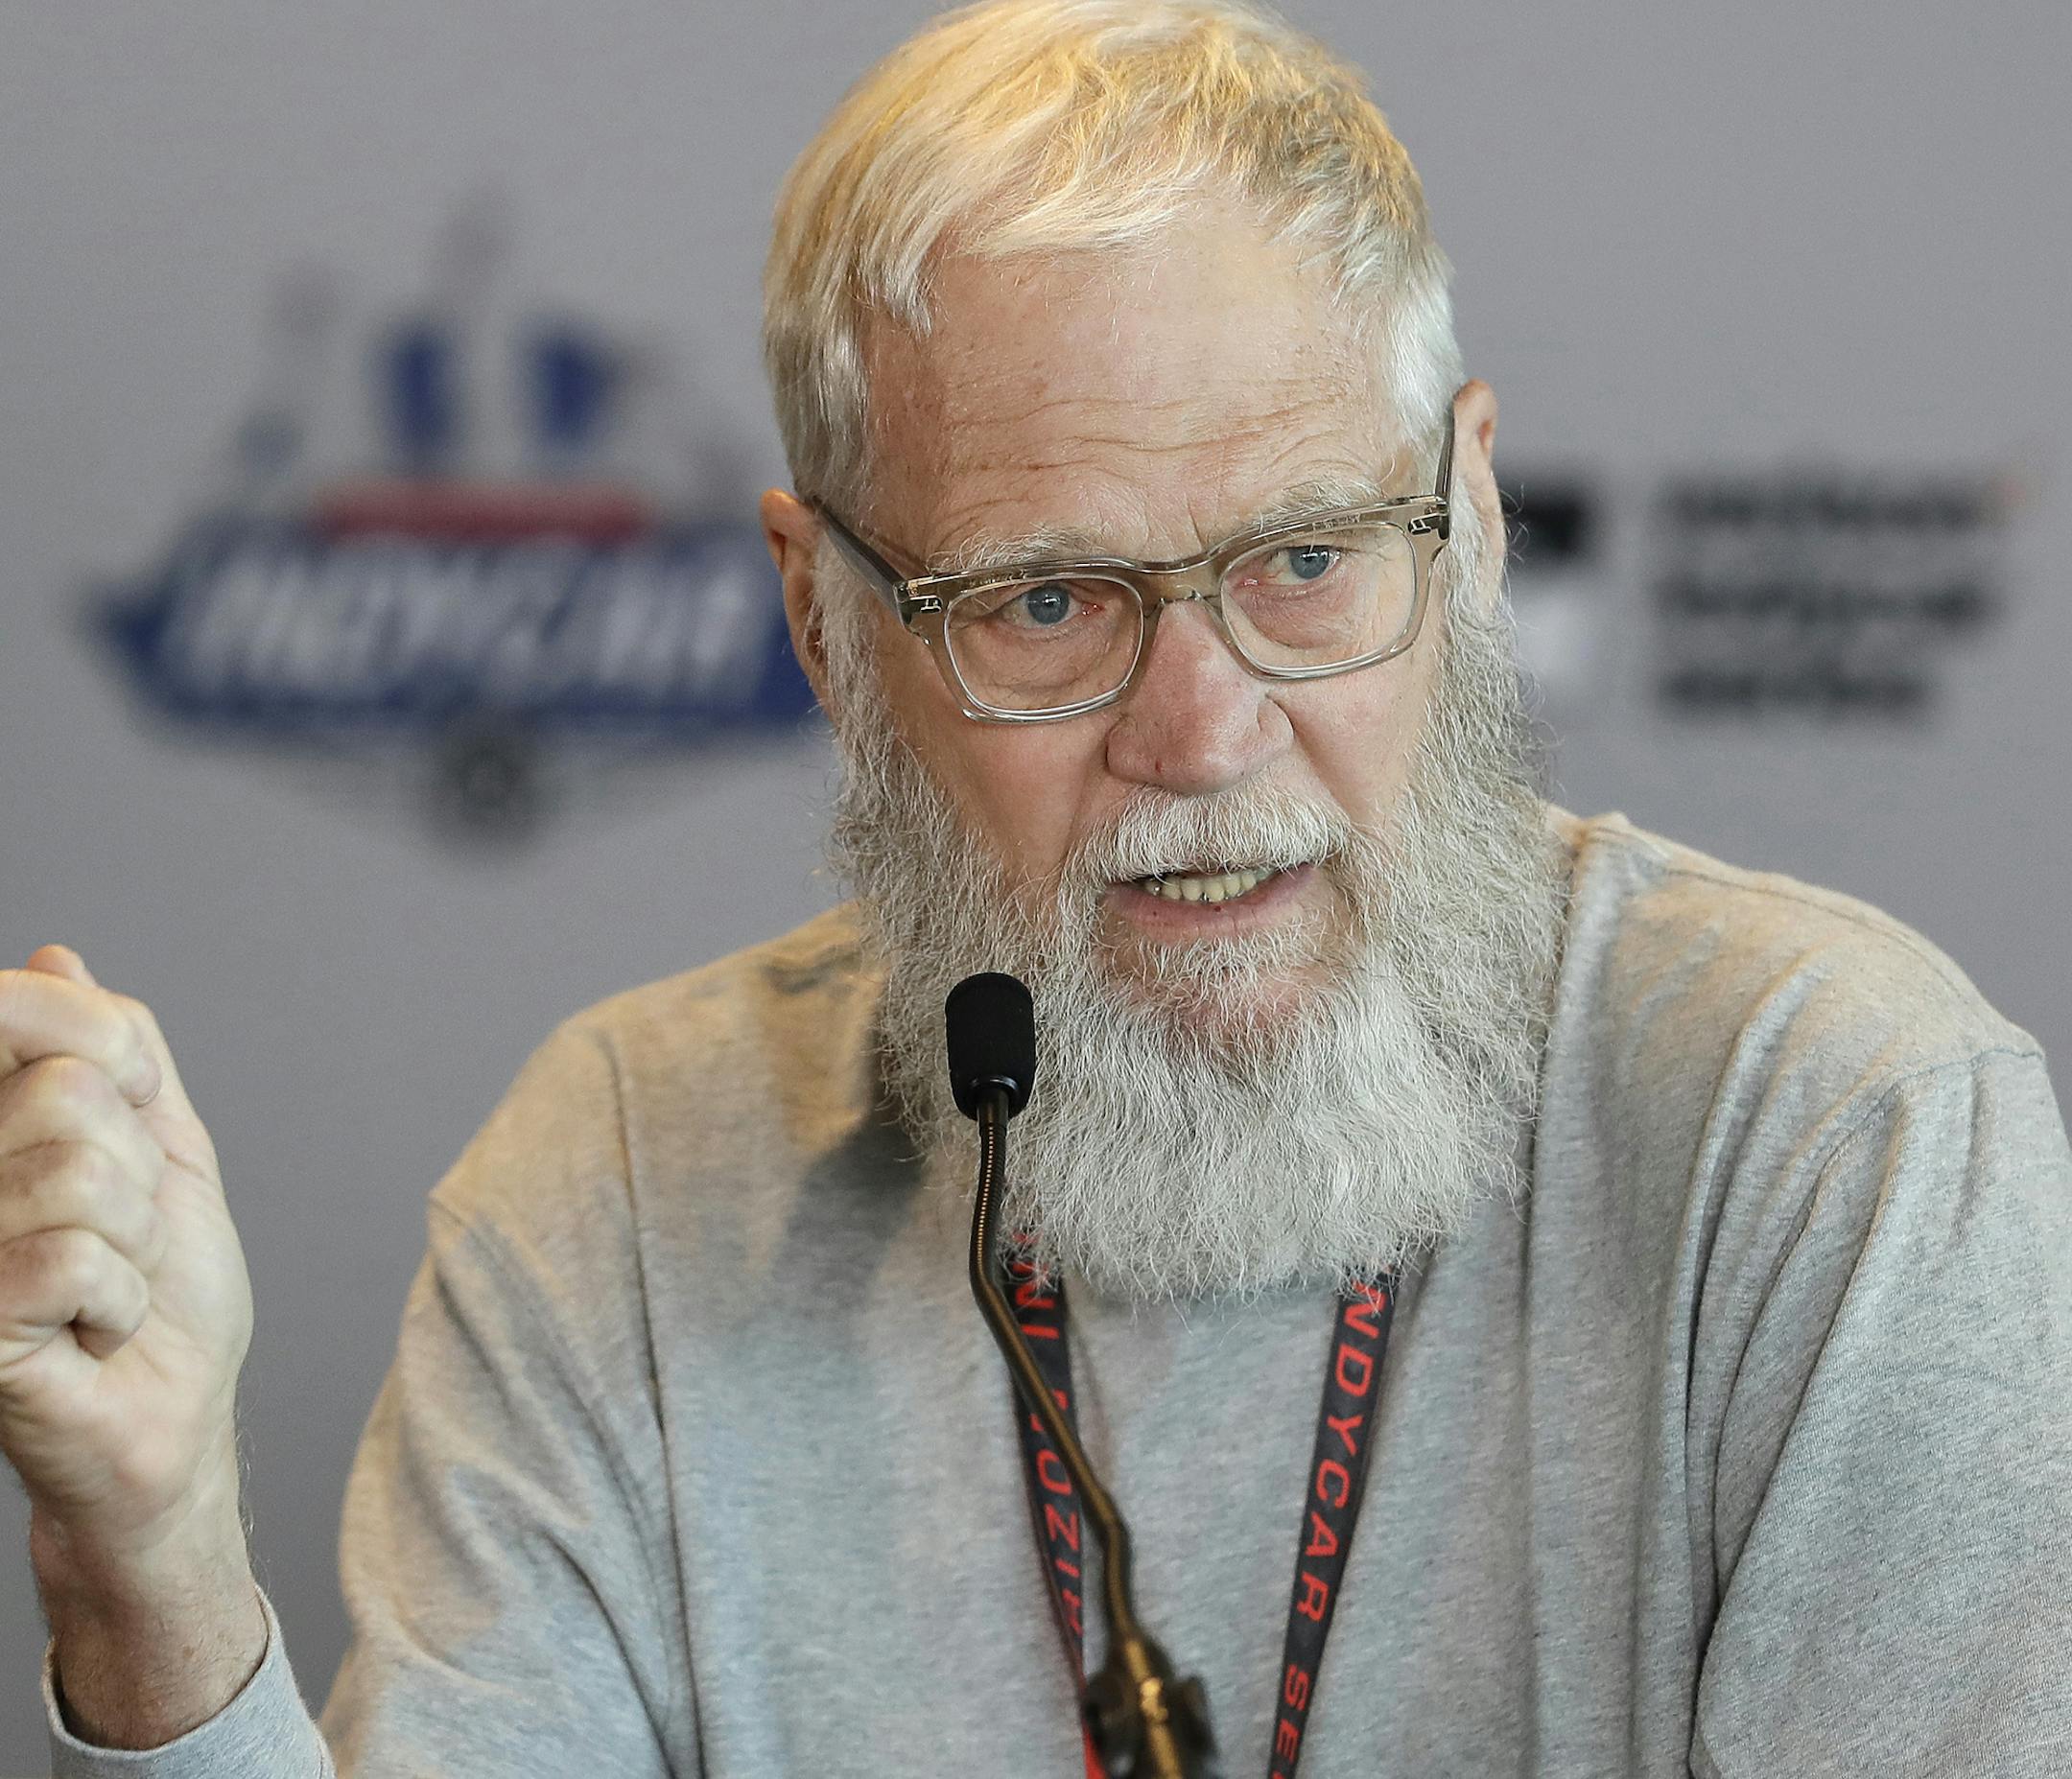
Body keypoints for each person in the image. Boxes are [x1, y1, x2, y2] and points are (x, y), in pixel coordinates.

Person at [6, 2, 2069, 1773]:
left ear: (1478, 520)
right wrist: (158, 1572)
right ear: (823, 624)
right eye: (1050, 599)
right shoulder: (626, 1185)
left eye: (1309, 559)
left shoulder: (1838, 1141)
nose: (1204, 729)